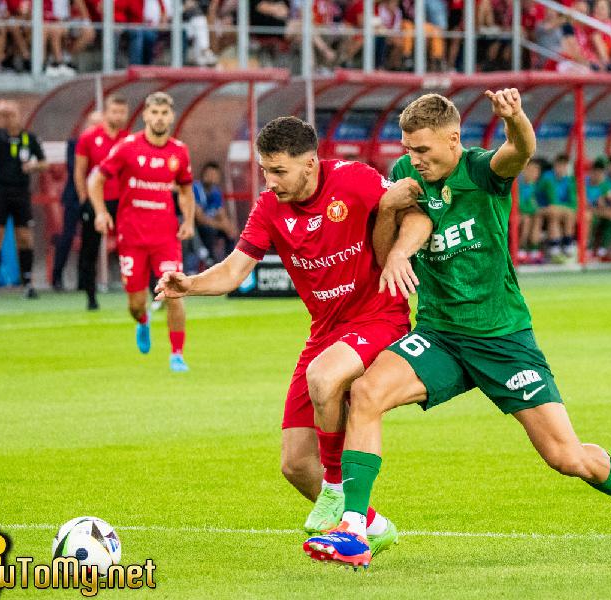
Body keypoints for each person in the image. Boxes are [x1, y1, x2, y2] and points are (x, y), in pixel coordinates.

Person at [304, 92, 611, 568]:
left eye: (423, 149)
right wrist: (391, 219)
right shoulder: (407, 173)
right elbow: (389, 245)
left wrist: (515, 118)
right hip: (441, 335)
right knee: (366, 393)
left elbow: (519, 151)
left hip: (502, 339)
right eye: (408, 149)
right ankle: (354, 528)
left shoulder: (481, 171)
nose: (414, 159)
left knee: (566, 457)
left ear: (453, 139)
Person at [155, 116, 430, 556]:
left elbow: (412, 213)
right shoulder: (269, 208)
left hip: (378, 318)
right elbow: (233, 271)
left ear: (310, 164)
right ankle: (372, 525)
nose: (270, 181)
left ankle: (337, 490)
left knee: (323, 378)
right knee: (296, 463)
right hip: (325, 332)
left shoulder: (354, 180)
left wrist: (399, 253)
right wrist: (190, 284)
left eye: (279, 171)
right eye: (265, 170)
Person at [89, 92, 195, 372]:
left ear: (171, 117)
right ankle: (143, 320)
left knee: (175, 292)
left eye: (164, 113)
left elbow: (186, 189)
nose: (159, 118)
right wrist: (100, 212)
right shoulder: (128, 148)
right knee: (136, 304)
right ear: (146, 115)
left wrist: (188, 220)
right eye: (154, 113)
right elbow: (95, 180)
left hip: (166, 236)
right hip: (132, 236)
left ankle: (177, 354)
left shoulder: (179, 152)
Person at [0, 100, 48, 299]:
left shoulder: (29, 138)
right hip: (0, 191)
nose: (9, 119)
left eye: (12, 115)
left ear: (20, 116)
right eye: (6, 116)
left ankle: (28, 282)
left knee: (24, 235)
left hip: (21, 192)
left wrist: (33, 166)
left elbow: (44, 163)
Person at [75, 96, 130, 310]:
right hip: (96, 201)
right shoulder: (89, 137)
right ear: (106, 113)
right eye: (114, 111)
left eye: (122, 112)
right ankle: (91, 297)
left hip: (122, 201)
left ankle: (149, 292)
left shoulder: (129, 139)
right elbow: (80, 170)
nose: (118, 116)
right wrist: (84, 199)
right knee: (90, 249)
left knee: (134, 244)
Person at [51, 110, 103, 291]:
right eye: (93, 123)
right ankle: (57, 276)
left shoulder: (104, 145)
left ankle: (85, 280)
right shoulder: (75, 143)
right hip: (74, 197)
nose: (96, 128)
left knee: (89, 239)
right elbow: (76, 168)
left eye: (99, 124)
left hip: (95, 197)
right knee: (67, 235)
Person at [192, 161, 237, 268]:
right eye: (208, 173)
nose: (211, 177)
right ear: (203, 174)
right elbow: (199, 218)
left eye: (214, 174)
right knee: (209, 230)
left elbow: (221, 214)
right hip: (196, 228)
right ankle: (210, 264)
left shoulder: (216, 192)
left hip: (211, 224)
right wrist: (221, 225)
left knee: (230, 233)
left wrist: (228, 227)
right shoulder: (195, 188)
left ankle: (229, 264)